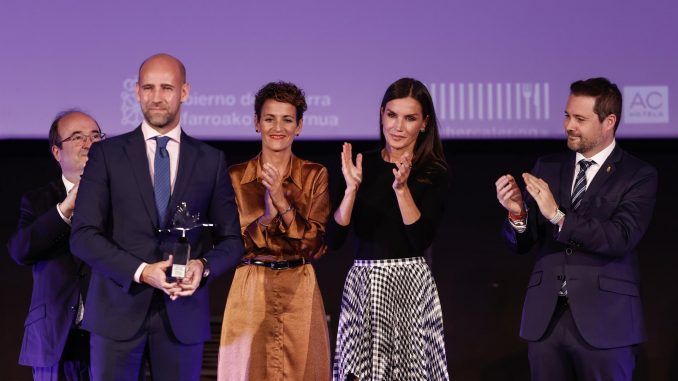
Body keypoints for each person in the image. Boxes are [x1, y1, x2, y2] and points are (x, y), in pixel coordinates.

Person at [70, 53, 244, 381]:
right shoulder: (107, 155)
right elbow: (83, 235)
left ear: (185, 92)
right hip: (116, 313)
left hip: (183, 316)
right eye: (148, 87)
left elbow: (232, 241)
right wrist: (141, 271)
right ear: (136, 92)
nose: (156, 97)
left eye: (167, 87)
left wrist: (202, 267)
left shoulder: (210, 161)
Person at [495, 77, 657, 381]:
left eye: (580, 119)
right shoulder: (548, 166)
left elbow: (621, 237)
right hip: (547, 321)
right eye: (567, 115)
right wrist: (517, 214)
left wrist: (559, 216)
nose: (569, 125)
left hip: (606, 321)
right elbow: (523, 243)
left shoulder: (638, 174)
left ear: (609, 121)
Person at [329, 78, 450, 380]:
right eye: (392, 115)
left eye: (410, 118)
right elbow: (334, 239)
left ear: (424, 124)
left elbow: (420, 238)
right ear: (381, 114)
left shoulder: (433, 172)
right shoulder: (359, 165)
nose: (398, 126)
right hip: (363, 285)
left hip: (409, 285)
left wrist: (401, 188)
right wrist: (350, 191)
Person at [217, 81, 331, 381]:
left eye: (287, 119)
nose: (277, 127)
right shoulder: (236, 177)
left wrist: (283, 204)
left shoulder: (314, 175)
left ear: (299, 126)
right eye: (269, 119)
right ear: (257, 123)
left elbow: (314, 245)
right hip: (251, 284)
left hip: (300, 284)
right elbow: (230, 246)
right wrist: (266, 219)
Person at [8, 110, 101, 381]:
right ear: (56, 152)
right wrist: (65, 208)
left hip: (109, 336)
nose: (89, 143)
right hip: (54, 337)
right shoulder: (38, 201)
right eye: (77, 137)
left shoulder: (122, 198)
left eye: (96, 136)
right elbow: (21, 251)